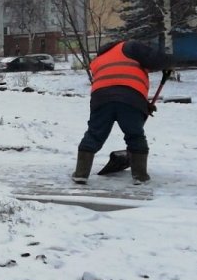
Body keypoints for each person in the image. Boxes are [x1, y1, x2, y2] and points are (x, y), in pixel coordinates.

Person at [71, 39, 172, 185]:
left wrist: (143, 105)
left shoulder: (99, 58)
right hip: (130, 99)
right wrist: (171, 61)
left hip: (101, 99)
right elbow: (155, 60)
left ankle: (81, 173)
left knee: (94, 134)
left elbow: (114, 82)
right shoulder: (130, 46)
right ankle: (140, 176)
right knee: (135, 134)